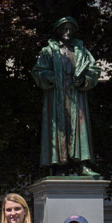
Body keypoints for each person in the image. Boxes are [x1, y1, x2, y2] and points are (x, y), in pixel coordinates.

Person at [32, 16, 99, 176]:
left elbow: (93, 70)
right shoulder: (48, 51)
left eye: (70, 29)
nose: (67, 32)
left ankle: (83, 164)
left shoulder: (82, 51)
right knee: (58, 129)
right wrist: (49, 77)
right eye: (64, 28)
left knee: (80, 128)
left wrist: (84, 79)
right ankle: (57, 165)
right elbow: (38, 70)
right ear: (58, 31)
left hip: (76, 94)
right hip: (57, 95)